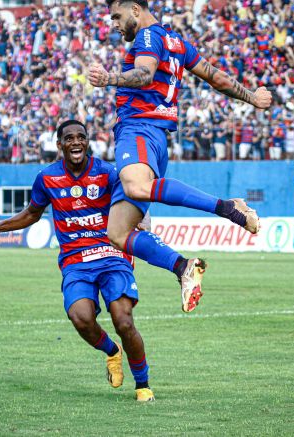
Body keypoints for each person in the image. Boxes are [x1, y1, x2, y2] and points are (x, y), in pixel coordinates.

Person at [88, 0, 272, 312]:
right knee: (118, 232)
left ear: (135, 9)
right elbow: (215, 77)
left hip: (140, 129)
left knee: (135, 187)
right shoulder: (177, 43)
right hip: (151, 136)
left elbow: (144, 74)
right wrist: (252, 97)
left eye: (117, 17)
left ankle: (227, 207)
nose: (115, 25)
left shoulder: (147, 37)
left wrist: (110, 79)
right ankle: (183, 268)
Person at [0, 120, 155, 402]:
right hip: (75, 260)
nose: (76, 142)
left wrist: (143, 221)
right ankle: (112, 351)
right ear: (59, 145)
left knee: (123, 321)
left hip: (112, 254)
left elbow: (133, 197)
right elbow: (32, 214)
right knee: (80, 318)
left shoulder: (107, 173)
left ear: (87, 142)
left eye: (81, 137)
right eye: (69, 138)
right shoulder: (47, 178)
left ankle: (143, 385)